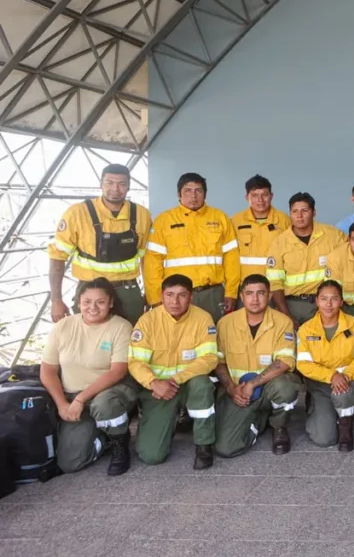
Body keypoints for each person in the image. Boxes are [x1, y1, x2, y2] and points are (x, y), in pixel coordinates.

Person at [39, 278, 137, 476]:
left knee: (104, 404)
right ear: (78, 302)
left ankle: (119, 441)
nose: (93, 307)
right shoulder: (63, 326)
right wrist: (62, 404)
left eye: (100, 302)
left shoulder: (121, 327)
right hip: (73, 397)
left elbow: (118, 371)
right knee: (70, 463)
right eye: (86, 302)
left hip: (109, 392)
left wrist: (81, 399)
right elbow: (48, 370)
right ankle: (103, 436)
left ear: (110, 303)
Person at [129, 274, 218, 469]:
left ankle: (204, 444)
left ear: (191, 297)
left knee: (202, 384)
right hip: (159, 391)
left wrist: (176, 379)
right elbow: (136, 362)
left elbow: (209, 358)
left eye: (181, 295)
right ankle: (167, 422)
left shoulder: (203, 318)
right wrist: (154, 383)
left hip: (188, 385)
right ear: (161, 296)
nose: (175, 301)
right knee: (151, 455)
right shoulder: (147, 321)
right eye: (169, 295)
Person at [48, 163, 151, 325]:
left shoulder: (141, 215)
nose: (115, 189)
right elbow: (56, 258)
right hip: (90, 292)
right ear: (100, 184)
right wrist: (56, 300)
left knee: (131, 339)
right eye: (109, 183)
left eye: (122, 184)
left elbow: (148, 259)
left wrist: (151, 293)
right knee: (89, 341)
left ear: (129, 187)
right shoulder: (78, 213)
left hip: (128, 292)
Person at [212, 274, 299, 458]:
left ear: (268, 296)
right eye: (249, 293)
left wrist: (253, 384)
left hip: (268, 389)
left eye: (261, 293)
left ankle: (279, 426)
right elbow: (218, 363)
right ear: (242, 296)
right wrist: (231, 388)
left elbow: (284, 361)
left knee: (286, 387)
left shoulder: (282, 322)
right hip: (239, 393)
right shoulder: (225, 324)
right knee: (225, 449)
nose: (255, 299)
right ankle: (260, 420)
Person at [144, 172, 240, 322]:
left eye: (198, 190)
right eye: (187, 190)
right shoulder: (164, 221)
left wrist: (231, 292)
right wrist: (155, 298)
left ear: (205, 194)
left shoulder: (220, 218)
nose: (193, 196)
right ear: (179, 194)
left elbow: (232, 258)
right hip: (177, 296)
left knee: (215, 338)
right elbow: (152, 262)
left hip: (212, 294)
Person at [296, 280, 354, 451]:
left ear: (341, 301)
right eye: (324, 299)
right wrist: (331, 376)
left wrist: (345, 375)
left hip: (351, 381)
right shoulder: (306, 330)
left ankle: (346, 426)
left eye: (334, 299)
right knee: (325, 439)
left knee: (343, 394)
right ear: (317, 301)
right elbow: (303, 364)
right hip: (321, 385)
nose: (329, 304)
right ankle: (318, 409)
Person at [266, 192, 345, 328]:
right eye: (294, 211)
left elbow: (353, 254)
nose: (299, 216)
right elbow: (275, 284)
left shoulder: (334, 236)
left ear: (314, 212)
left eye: (304, 211)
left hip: (323, 305)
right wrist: (287, 315)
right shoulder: (279, 243)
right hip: (290, 306)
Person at [231, 174, 291, 283]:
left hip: (276, 286)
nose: (260, 200)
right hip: (245, 287)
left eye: (265, 195)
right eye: (254, 195)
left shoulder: (285, 221)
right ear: (246, 197)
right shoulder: (235, 222)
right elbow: (229, 257)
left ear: (271, 196)